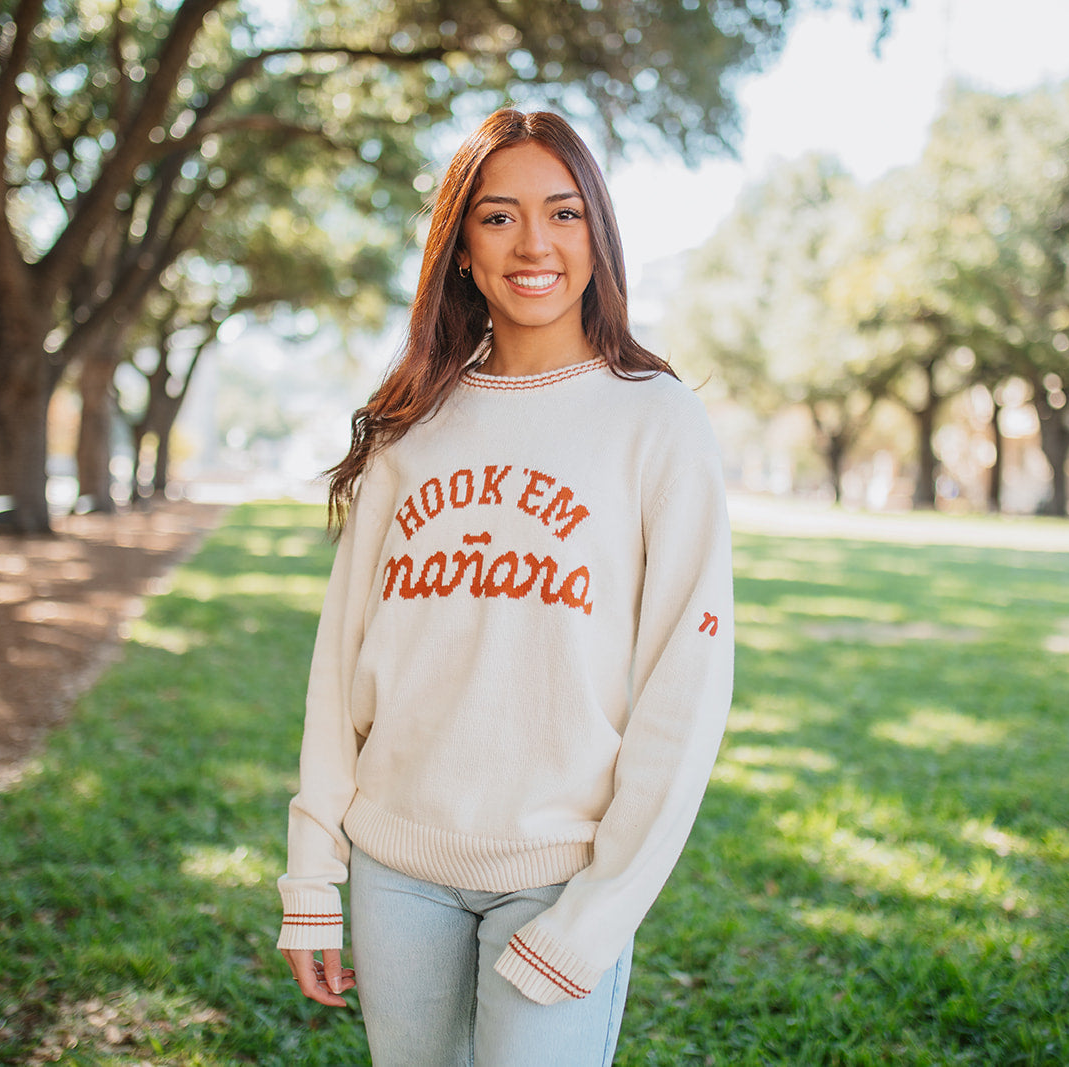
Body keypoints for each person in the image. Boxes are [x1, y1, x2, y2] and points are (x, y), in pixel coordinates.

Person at [275, 107, 735, 1067]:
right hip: (397, 868)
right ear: (460, 249)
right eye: (499, 217)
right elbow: (338, 669)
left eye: (564, 214)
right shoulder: (410, 430)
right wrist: (314, 874)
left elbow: (685, 691)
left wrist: (597, 914)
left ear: (597, 238)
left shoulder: (657, 422)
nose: (535, 244)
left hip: (560, 877)